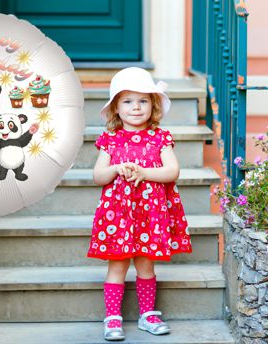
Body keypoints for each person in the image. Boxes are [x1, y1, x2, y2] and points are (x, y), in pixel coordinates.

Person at [87, 67, 192, 341]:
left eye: (143, 100)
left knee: (146, 264)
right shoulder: (110, 140)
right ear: (115, 108)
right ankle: (112, 318)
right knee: (118, 265)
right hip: (118, 214)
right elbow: (98, 177)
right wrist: (117, 168)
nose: (136, 107)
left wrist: (145, 173)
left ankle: (148, 314)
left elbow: (172, 171)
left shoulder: (160, 138)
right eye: (128, 101)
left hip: (150, 213)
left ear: (153, 105)